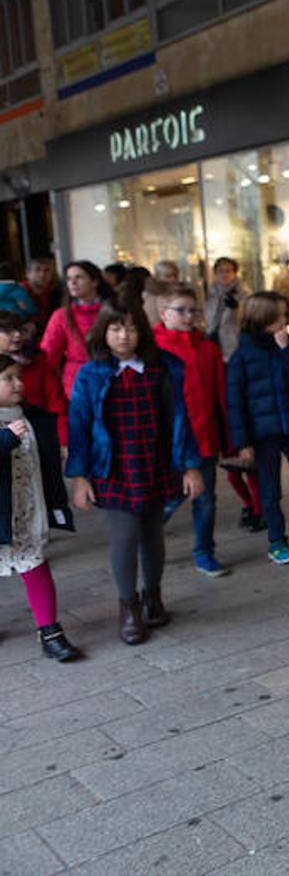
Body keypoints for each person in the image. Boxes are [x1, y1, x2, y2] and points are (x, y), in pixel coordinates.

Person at [66, 300, 204, 645]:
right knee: (125, 534)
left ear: (142, 331)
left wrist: (190, 465)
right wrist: (80, 477)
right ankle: (128, 606)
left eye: (130, 327)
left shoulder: (164, 368)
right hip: (112, 468)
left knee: (152, 533)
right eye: (115, 328)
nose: (123, 335)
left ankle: (153, 597)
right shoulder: (92, 373)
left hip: (155, 462)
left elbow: (180, 420)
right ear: (103, 332)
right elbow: (78, 426)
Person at [227, 291, 289, 566]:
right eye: (280, 315)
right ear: (264, 319)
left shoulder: (287, 345)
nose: (285, 320)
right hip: (263, 435)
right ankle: (277, 540)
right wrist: (242, 441)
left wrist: (288, 349)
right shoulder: (242, 356)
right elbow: (234, 402)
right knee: (270, 490)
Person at [0, 353, 80, 661]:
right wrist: (6, 438)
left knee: (35, 565)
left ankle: (50, 632)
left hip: (28, 510)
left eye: (18, 376)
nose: (18, 383)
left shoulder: (32, 416)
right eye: (8, 378)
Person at [154, 286, 236, 577]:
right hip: (168, 440)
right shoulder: (153, 347)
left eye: (193, 310)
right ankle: (146, 539)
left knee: (206, 499)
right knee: (170, 497)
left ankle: (204, 551)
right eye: (181, 310)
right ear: (164, 313)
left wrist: (228, 440)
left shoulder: (207, 348)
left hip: (203, 437)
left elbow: (219, 395)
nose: (189, 316)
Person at [0, 312, 69, 522]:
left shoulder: (37, 362)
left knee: (36, 488)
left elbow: (55, 401)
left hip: (34, 433)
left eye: (19, 330)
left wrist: (63, 441)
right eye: (7, 330)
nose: (16, 335)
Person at [41, 260, 111, 400]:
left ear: (94, 282)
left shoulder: (112, 311)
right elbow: (48, 356)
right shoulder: (61, 315)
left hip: (112, 375)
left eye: (79, 277)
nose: (72, 282)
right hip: (76, 381)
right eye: (68, 279)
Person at [204, 257, 248, 362]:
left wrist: (235, 308)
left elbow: (247, 317)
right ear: (215, 274)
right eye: (220, 271)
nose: (224, 274)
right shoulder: (210, 293)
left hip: (234, 342)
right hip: (212, 340)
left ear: (234, 273)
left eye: (228, 271)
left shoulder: (243, 293)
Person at [23, 258, 61, 331]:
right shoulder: (18, 292)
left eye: (47, 270)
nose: (42, 274)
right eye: (37, 270)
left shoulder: (56, 292)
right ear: (27, 273)